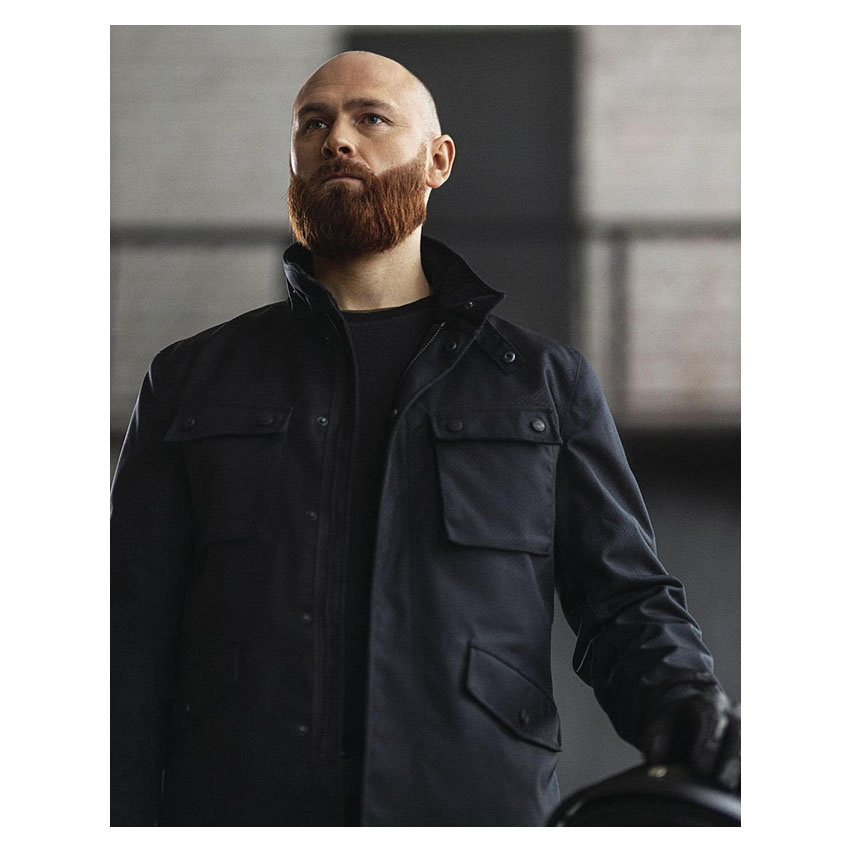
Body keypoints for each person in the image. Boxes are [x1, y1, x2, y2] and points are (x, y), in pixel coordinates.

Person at [110, 50, 740, 827]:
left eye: (371, 118)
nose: (338, 139)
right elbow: (124, 636)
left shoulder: (543, 384)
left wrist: (685, 701)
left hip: (472, 811)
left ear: (438, 161)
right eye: (313, 123)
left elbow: (624, 602)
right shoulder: (192, 380)